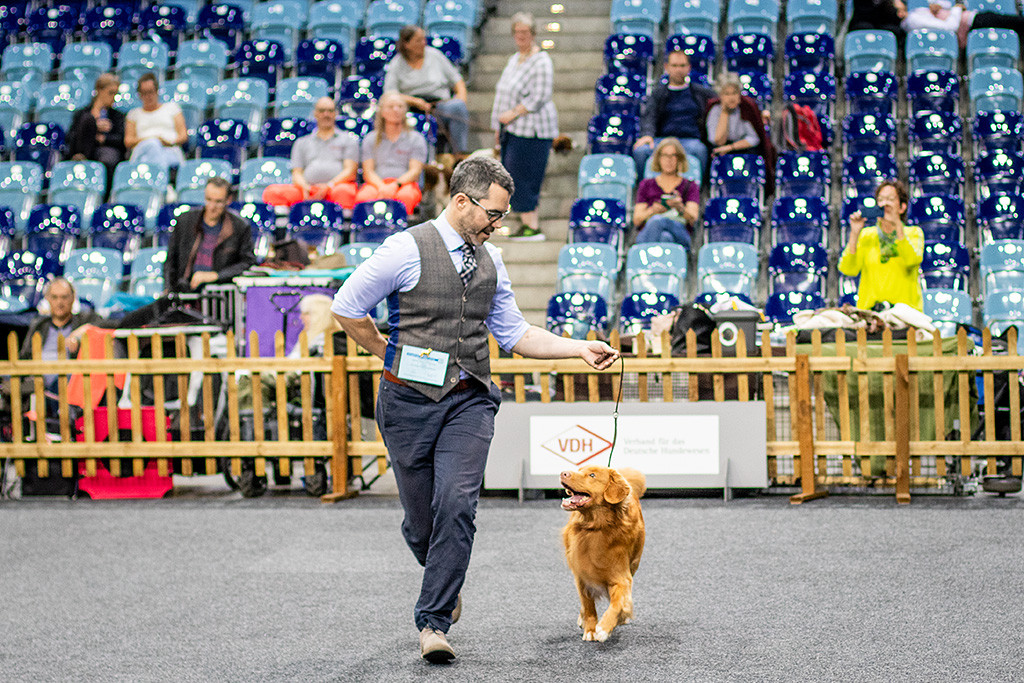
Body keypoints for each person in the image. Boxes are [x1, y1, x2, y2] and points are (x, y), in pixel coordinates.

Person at [330, 156, 619, 664]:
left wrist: (579, 347)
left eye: (502, 215)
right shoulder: (404, 249)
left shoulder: (493, 261)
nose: (498, 223)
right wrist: (386, 353)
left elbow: (516, 335)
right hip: (405, 403)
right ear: (461, 201)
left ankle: (433, 622)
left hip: (470, 399)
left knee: (458, 504)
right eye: (493, 212)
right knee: (422, 522)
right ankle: (443, 572)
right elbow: (347, 306)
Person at [490, 11, 558, 242]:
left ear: (533, 34)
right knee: (513, 175)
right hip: (512, 130)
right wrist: (497, 126)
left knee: (526, 175)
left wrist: (513, 113)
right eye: (517, 32)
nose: (521, 36)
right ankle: (526, 222)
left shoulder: (542, 60)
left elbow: (540, 95)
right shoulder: (513, 59)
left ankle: (532, 225)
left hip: (533, 130)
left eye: (525, 32)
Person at [838, 180, 925, 311]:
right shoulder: (866, 235)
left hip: (906, 314)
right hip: (871, 313)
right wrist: (855, 233)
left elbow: (912, 260)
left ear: (902, 207)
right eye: (881, 200)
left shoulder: (913, 233)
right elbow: (848, 269)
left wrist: (897, 225)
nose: (885, 204)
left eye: (890, 199)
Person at [384, 25, 470, 155]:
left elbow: (457, 80)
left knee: (457, 107)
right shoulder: (396, 63)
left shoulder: (435, 55)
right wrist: (414, 101)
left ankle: (459, 154)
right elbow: (389, 93)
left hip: (439, 104)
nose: (423, 43)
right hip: (410, 107)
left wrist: (461, 98)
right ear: (406, 44)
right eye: (418, 40)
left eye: (424, 39)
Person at [262, 97, 359, 208]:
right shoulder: (301, 142)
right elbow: (296, 173)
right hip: (307, 190)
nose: (326, 114)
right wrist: (305, 187)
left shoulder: (348, 140)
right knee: (272, 192)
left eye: (330, 111)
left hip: (336, 188)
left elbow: (350, 171)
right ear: (315, 113)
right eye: (322, 111)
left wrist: (328, 186)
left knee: (345, 193)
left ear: (336, 113)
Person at [165, 176, 256, 294]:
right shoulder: (185, 221)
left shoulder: (240, 227)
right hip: (184, 291)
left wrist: (215, 276)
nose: (212, 206)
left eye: (218, 202)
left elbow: (247, 263)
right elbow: (171, 261)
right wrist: (169, 290)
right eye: (208, 199)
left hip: (220, 294)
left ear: (228, 200)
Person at [632, 50, 715, 180]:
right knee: (641, 151)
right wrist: (647, 135)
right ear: (667, 67)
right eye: (674, 65)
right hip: (663, 140)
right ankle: (644, 188)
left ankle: (699, 191)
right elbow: (649, 116)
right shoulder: (658, 94)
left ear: (689, 68)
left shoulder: (700, 93)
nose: (678, 69)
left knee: (701, 151)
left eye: (682, 65)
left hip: (691, 141)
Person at [355, 91, 428, 216]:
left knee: (405, 197)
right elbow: (368, 172)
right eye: (391, 106)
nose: (396, 110)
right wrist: (382, 187)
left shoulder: (416, 139)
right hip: (376, 183)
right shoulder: (370, 139)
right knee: (362, 198)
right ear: (382, 112)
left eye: (400, 107)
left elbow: (415, 172)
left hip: (405, 184)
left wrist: (395, 185)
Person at [705, 72, 776, 195]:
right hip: (721, 148)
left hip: (742, 148)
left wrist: (730, 147)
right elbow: (717, 141)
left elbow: (754, 139)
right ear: (720, 96)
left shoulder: (747, 108)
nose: (731, 98)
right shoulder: (714, 110)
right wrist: (725, 113)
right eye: (727, 94)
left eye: (734, 93)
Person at [632, 137, 700, 249]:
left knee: (658, 221)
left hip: (679, 231)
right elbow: (637, 220)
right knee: (665, 237)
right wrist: (653, 210)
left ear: (679, 159)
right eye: (665, 156)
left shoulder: (690, 185)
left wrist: (680, 208)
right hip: (650, 231)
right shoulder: (646, 184)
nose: (669, 160)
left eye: (673, 156)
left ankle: (646, 260)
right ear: (658, 158)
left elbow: (693, 219)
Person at [65, 73, 126, 193]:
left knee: (108, 158)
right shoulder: (82, 113)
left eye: (116, 93)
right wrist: (94, 127)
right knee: (88, 120)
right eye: (110, 93)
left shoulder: (117, 116)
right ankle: (81, 158)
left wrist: (103, 139)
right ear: (99, 90)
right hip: (81, 149)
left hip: (104, 149)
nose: (113, 97)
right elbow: (71, 136)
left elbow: (121, 139)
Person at [124, 72, 188, 168]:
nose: (148, 96)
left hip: (169, 149)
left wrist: (168, 142)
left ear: (157, 91)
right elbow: (128, 141)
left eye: (151, 92)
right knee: (152, 144)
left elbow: (183, 135)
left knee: (152, 157)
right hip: (142, 150)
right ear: (139, 95)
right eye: (144, 93)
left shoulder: (172, 108)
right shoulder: (133, 114)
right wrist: (150, 139)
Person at [902, 0, 1024, 47]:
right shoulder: (913, 20)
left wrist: (939, 6)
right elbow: (950, 26)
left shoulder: (916, 12)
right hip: (973, 23)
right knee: (1015, 22)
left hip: (972, 18)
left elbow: (945, 7)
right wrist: (957, 9)